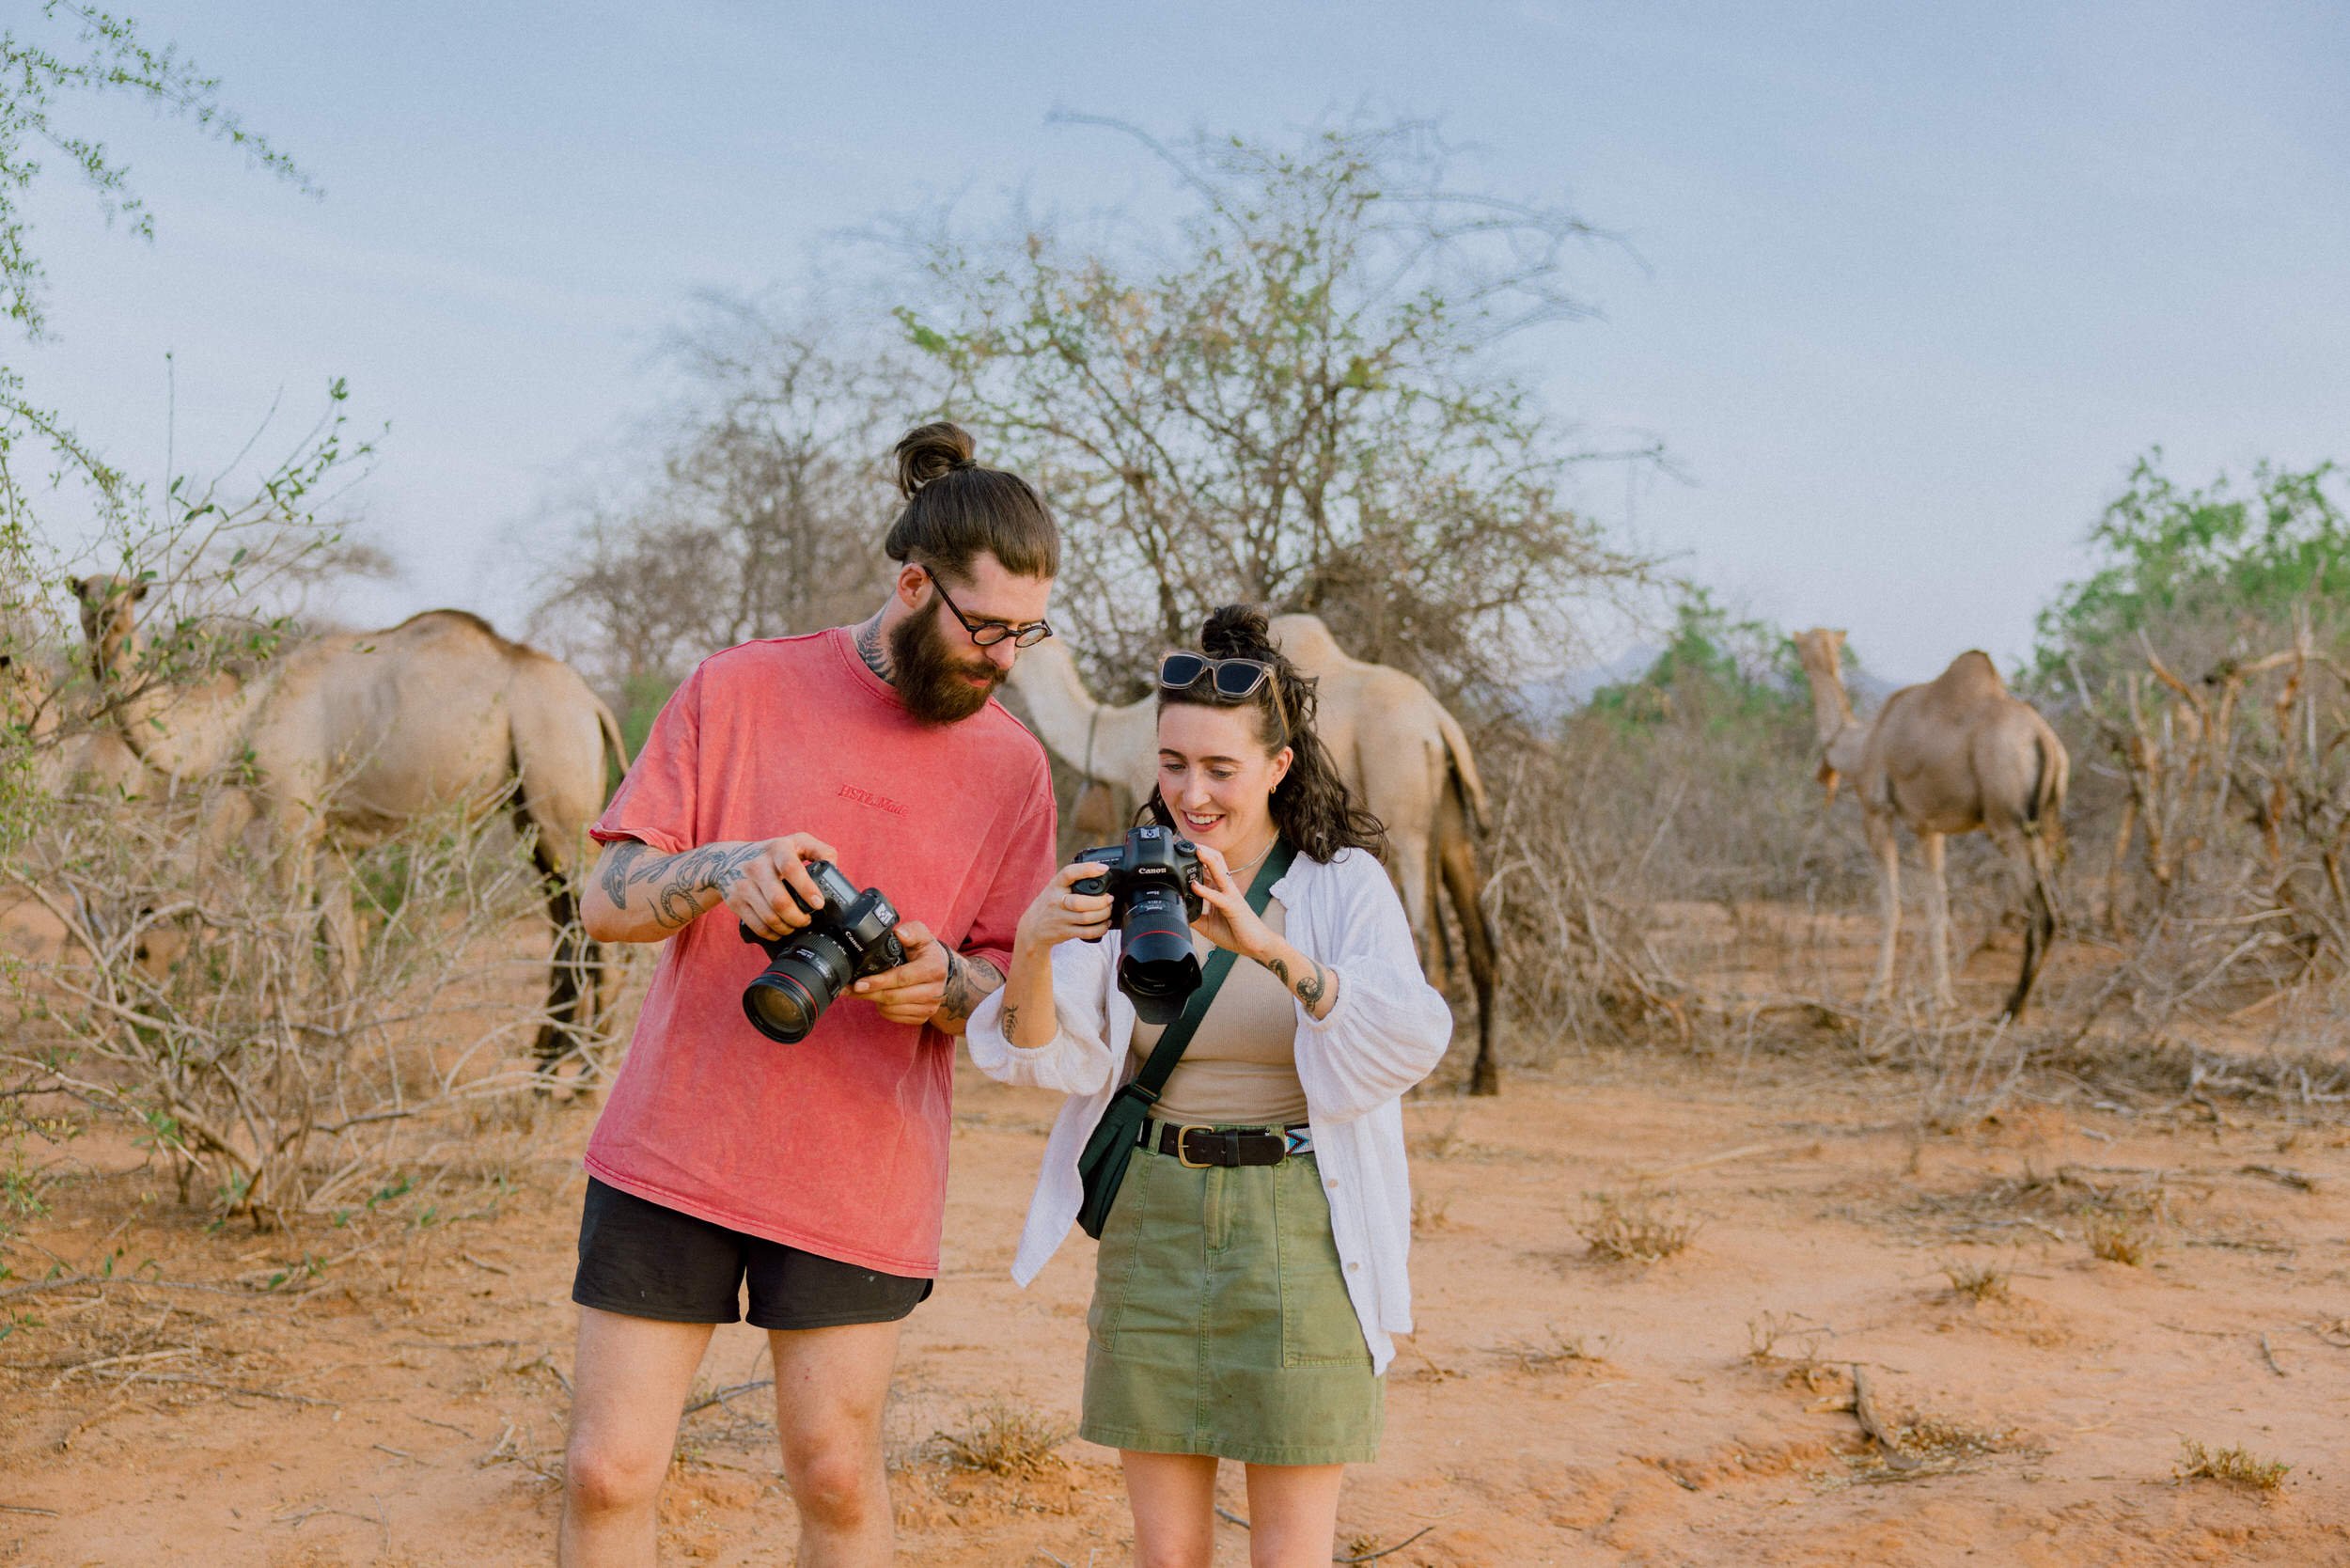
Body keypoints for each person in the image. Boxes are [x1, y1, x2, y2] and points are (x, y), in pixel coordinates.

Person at [558, 422, 1062, 1568]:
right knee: (607, 1472)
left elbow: (1007, 985)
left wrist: (948, 983)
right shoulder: (737, 687)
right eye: (985, 627)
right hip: (678, 1145)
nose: (1005, 660)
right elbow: (606, 895)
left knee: (835, 1479)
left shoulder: (1014, 767)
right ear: (911, 584)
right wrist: (722, 869)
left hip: (862, 1172)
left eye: (1027, 632)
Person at [964, 605, 1453, 1568]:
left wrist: (1270, 950)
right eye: (1173, 763)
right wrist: (1030, 947)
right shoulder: (1125, 880)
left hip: (1303, 1225)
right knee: (1166, 1555)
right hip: (1156, 1218)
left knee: (1289, 1555)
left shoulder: (1340, 884)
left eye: (1221, 769)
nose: (1191, 792)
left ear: (1277, 767)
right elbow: (1043, 1059)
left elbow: (1409, 1038)